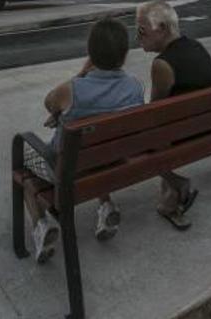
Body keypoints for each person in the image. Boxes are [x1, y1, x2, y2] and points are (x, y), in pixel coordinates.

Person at [22, 18, 145, 263]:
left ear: (90, 53)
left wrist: (81, 74)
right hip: (112, 160)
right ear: (124, 54)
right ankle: (106, 205)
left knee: (25, 170)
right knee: (97, 150)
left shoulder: (72, 90)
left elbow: (49, 102)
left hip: (66, 168)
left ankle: (41, 225)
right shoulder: (134, 86)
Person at [135, 0, 211, 231]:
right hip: (209, 127)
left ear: (162, 28)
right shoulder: (195, 46)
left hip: (186, 135)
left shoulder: (162, 64)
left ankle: (177, 184)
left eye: (142, 30)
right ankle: (168, 202)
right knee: (163, 128)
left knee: (138, 136)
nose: (137, 37)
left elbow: (154, 114)